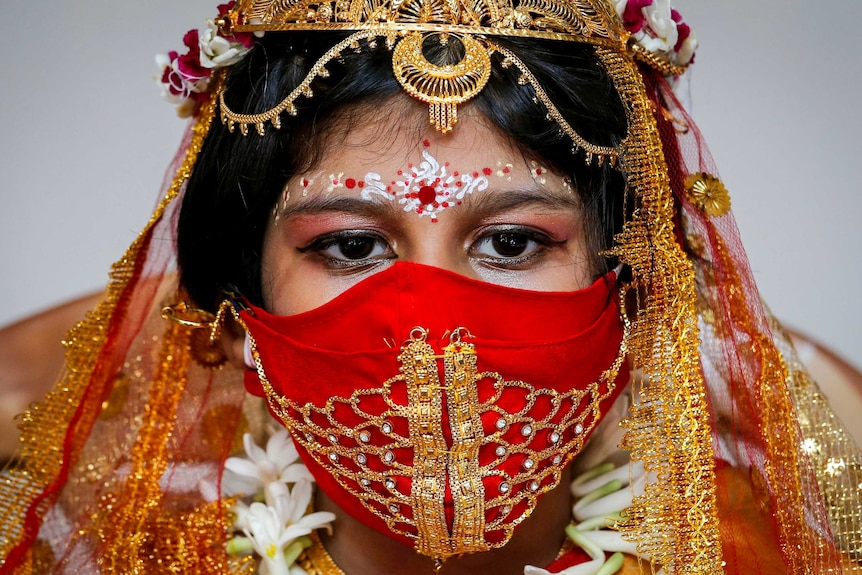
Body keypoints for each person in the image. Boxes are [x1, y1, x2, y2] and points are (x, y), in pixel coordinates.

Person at [1, 0, 860, 573]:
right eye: (348, 246)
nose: (432, 329)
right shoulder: (113, 541)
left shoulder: (775, 534)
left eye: (513, 241)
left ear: (635, 290)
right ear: (229, 315)